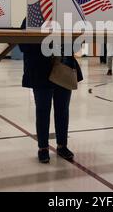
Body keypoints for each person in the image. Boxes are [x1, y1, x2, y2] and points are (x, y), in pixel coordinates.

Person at [19, 18, 83, 164]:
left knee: (62, 109)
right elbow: (23, 45)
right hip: (40, 70)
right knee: (43, 109)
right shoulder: (31, 17)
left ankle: (62, 145)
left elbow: (78, 43)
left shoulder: (68, 17)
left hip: (63, 67)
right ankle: (43, 147)